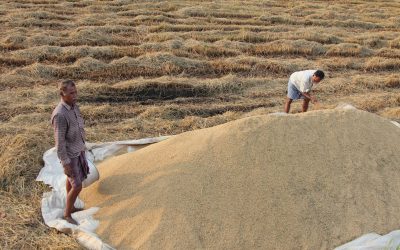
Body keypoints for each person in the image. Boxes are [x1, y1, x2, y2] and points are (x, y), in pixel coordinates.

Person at [51, 80, 89, 225]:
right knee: (78, 185)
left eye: (76, 92)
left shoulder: (73, 107)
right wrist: (65, 163)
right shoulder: (60, 115)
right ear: (63, 94)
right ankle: (67, 214)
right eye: (71, 93)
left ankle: (70, 205)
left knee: (71, 181)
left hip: (78, 150)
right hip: (70, 155)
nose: (75, 95)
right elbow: (59, 143)